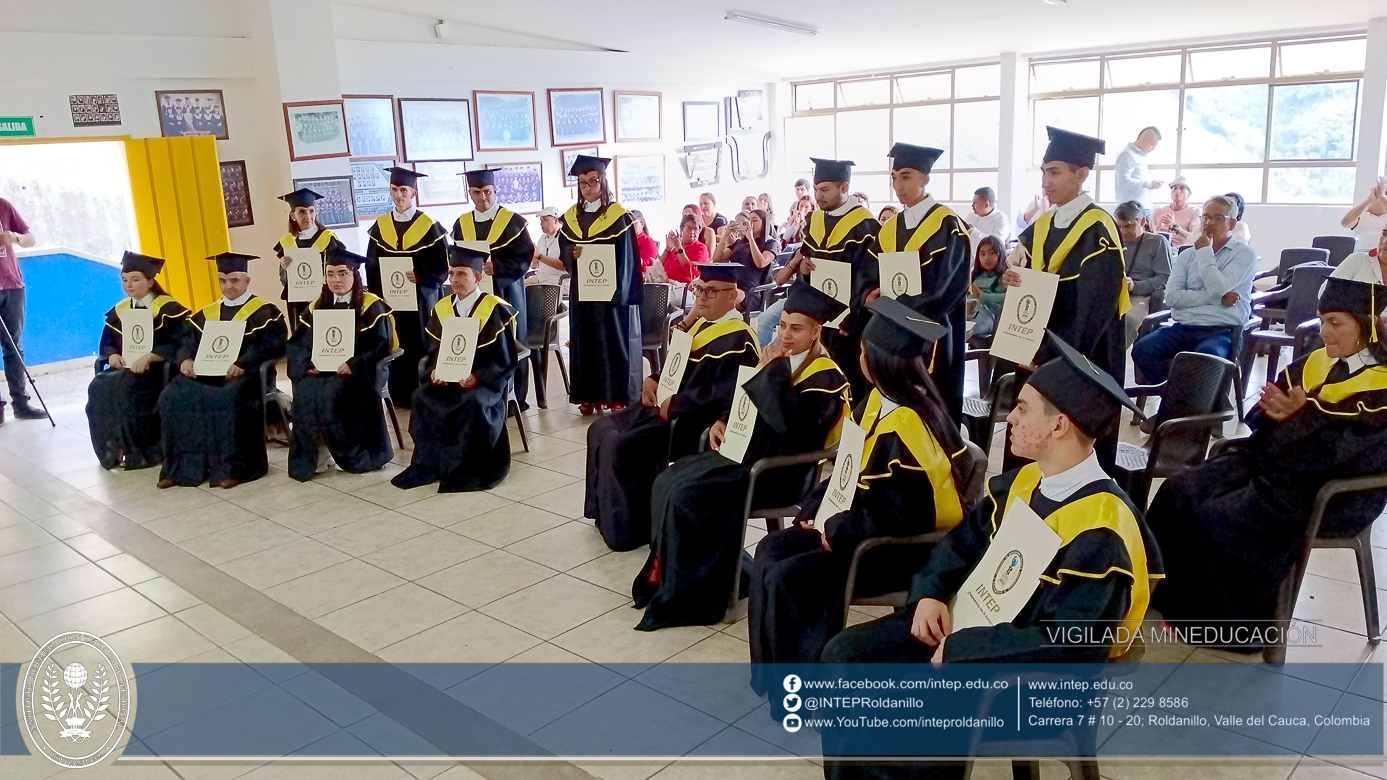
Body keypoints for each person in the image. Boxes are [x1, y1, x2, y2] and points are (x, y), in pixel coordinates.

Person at [819, 335, 1162, 780]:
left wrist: (964, 649)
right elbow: (961, 544)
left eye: (1021, 408)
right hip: (963, 627)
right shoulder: (1025, 481)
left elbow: (1066, 643)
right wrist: (931, 593)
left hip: (1020, 676)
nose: (1010, 418)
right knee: (844, 655)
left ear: (1059, 425)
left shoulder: (1103, 530)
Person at [1147, 275, 1387, 651]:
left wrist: (1300, 418)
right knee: (1181, 491)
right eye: (1322, 320)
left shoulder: (1381, 385)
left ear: (1366, 324)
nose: (1324, 331)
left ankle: (1226, 627)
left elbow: (1348, 453)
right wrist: (1277, 415)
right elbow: (1268, 414)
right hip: (1275, 464)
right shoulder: (1318, 362)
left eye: (1336, 322)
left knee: (1222, 518)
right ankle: (1171, 600)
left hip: (1331, 492)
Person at [747, 297, 968, 689]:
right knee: (769, 550)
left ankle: (803, 688)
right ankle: (772, 680)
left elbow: (900, 516)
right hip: (855, 528)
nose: (859, 356)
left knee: (790, 576)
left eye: (863, 350)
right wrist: (814, 508)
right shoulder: (878, 402)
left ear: (878, 361)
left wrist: (835, 528)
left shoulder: (911, 428)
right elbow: (845, 465)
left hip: (891, 549)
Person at [634, 281, 851, 631]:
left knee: (689, 495)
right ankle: (671, 579)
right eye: (782, 325)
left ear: (815, 333)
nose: (785, 335)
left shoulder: (825, 378)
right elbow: (745, 402)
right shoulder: (776, 356)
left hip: (778, 474)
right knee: (669, 480)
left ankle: (700, 596)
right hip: (746, 455)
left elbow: (793, 431)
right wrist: (723, 420)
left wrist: (774, 372)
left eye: (796, 328)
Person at [586, 263, 761, 551]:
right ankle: (604, 514)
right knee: (601, 428)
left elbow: (723, 394)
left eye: (712, 291)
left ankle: (629, 529)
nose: (702, 296)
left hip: (693, 421)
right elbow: (677, 370)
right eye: (699, 289)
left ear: (734, 296)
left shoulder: (740, 339)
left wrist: (677, 404)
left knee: (622, 444)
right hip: (669, 407)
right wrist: (653, 381)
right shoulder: (702, 325)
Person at [1002, 127, 1129, 468]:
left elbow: (1094, 316)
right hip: (1038, 351)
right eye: (1043, 171)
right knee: (1029, 445)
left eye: (1055, 172)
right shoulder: (1044, 225)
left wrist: (1045, 357)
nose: (1045, 181)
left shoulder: (1097, 229)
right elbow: (1021, 273)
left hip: (1080, 358)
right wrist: (1010, 272)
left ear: (1082, 173)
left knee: (1065, 449)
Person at [392, 244, 520, 492]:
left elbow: (505, 359)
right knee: (421, 396)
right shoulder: (442, 308)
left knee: (472, 402)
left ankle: (467, 466)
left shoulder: (495, 309)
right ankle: (431, 463)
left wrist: (478, 377)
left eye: (462, 273)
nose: (455, 279)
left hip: (483, 382)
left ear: (478, 277)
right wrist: (433, 373)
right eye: (452, 273)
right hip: (449, 378)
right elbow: (432, 353)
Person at [158, 253, 287, 489]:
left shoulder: (265, 312)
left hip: (246, 377)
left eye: (235, 280)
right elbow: (186, 342)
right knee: (172, 396)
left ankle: (233, 469)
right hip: (207, 375)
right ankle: (179, 469)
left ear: (247, 281)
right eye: (223, 281)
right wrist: (185, 359)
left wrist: (243, 363)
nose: (228, 286)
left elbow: (272, 345)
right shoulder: (206, 314)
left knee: (227, 399)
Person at [874, 143, 970, 417]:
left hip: (935, 335)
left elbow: (950, 290)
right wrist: (872, 292)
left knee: (933, 405)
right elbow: (875, 273)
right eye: (894, 177)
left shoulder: (948, 225)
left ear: (925, 179)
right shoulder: (890, 227)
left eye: (906, 176)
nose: (898, 185)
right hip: (895, 331)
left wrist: (901, 311)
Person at [285, 247, 395, 482]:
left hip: (356, 374)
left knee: (331, 394)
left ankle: (351, 455)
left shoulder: (371, 306)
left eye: (342, 273)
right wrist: (307, 363)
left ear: (355, 275)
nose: (336, 279)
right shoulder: (317, 306)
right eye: (331, 273)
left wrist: (353, 364)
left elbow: (380, 346)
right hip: (321, 371)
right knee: (305, 393)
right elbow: (298, 344)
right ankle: (317, 456)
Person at [778, 158, 880, 403]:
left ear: (844, 188)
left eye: (824, 190)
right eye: (816, 189)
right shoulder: (816, 220)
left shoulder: (866, 225)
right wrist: (803, 266)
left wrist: (850, 314)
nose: (818, 196)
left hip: (849, 321)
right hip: (818, 318)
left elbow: (870, 276)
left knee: (849, 379)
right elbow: (807, 258)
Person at [1132, 195, 1256, 385]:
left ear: (1231, 224)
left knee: (1205, 358)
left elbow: (1219, 287)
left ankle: (1184, 402)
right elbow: (1172, 297)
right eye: (1206, 217)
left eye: (1217, 218)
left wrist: (1205, 252)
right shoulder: (1187, 255)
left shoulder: (1244, 254)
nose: (1209, 223)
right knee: (1142, 350)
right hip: (1184, 327)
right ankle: (1181, 393)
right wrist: (1218, 300)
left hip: (1221, 330)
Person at [88, 252, 190, 470]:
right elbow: (109, 341)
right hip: (126, 367)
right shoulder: (122, 310)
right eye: (124, 280)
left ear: (150, 281)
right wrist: (112, 354)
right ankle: (112, 450)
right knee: (98, 386)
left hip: (157, 370)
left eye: (135, 279)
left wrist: (152, 356)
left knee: (126, 388)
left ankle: (143, 452)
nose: (129, 286)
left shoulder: (169, 310)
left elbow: (181, 343)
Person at [560, 156, 644, 415]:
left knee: (612, 341)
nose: (587, 186)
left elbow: (628, 257)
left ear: (603, 181)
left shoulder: (619, 216)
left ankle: (616, 396)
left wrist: (620, 290)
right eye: (582, 182)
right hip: (583, 293)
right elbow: (565, 249)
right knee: (584, 341)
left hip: (610, 293)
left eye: (593, 181)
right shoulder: (571, 217)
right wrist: (570, 253)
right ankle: (587, 396)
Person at [364, 167, 449, 407]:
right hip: (391, 301)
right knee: (394, 340)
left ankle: (423, 394)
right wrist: (378, 294)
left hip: (421, 300)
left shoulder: (429, 225)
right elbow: (371, 264)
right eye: (394, 189)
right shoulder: (381, 226)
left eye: (403, 190)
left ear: (414, 192)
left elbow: (443, 264)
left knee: (420, 342)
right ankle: (398, 395)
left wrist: (421, 275)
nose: (398, 195)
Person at [452, 169, 534, 410]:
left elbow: (524, 257)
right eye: (476, 192)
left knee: (510, 341)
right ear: (470, 193)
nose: (482, 197)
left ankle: (514, 399)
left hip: (506, 291)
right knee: (478, 340)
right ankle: (479, 390)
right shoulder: (462, 223)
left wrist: (497, 267)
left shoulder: (513, 222)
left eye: (487, 192)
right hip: (474, 295)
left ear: (495, 191)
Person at [273, 188, 345, 334]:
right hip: (297, 301)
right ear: (293, 215)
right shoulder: (287, 242)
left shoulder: (328, 238)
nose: (308, 216)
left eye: (311, 211)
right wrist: (285, 268)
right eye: (301, 212)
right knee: (301, 337)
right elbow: (284, 280)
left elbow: (344, 269)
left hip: (323, 297)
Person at [0, 195, 43, 421]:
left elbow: (30, 238)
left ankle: (21, 404)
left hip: (12, 286)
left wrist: (14, 237)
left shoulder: (3, 205)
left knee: (14, 348)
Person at [1114, 200, 1172, 347]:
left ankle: (1112, 364)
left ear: (1143, 222)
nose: (1123, 231)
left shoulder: (1157, 242)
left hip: (1142, 295)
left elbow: (1165, 279)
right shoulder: (1113, 240)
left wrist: (1135, 286)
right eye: (1119, 226)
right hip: (1113, 292)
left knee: (1127, 320)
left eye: (1128, 226)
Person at [713, 209, 780, 303]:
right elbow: (717, 259)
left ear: (764, 223)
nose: (750, 223)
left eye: (754, 220)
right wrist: (725, 236)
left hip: (750, 292)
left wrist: (751, 238)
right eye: (749, 220)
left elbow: (760, 263)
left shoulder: (770, 243)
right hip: (731, 286)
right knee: (708, 296)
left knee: (722, 301)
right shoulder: (740, 243)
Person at [967, 235, 1008, 344]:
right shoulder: (976, 276)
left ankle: (968, 332)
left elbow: (1009, 299)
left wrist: (983, 296)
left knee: (981, 321)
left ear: (1001, 254)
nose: (986, 258)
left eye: (992, 253)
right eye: (982, 254)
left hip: (993, 317)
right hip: (973, 311)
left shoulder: (1005, 277)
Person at [1113, 126, 1164, 214]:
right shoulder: (1128, 155)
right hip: (1131, 210)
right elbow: (1123, 181)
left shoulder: (1139, 157)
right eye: (1152, 145)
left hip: (1142, 207)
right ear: (1143, 139)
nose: (1153, 149)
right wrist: (1148, 184)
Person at [1152, 176, 1202, 249]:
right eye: (1174, 188)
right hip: (1157, 247)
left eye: (1181, 188)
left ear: (1189, 193)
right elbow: (1148, 234)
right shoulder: (1159, 210)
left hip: (1179, 250)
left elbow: (1194, 238)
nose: (1177, 191)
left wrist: (1175, 226)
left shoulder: (1195, 211)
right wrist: (1158, 226)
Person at [661, 214, 708, 285]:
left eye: (696, 229)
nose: (692, 232)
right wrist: (667, 250)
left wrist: (680, 250)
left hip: (684, 289)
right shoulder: (674, 246)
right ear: (681, 229)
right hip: (664, 285)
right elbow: (657, 267)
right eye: (688, 228)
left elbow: (694, 273)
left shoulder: (701, 248)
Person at [527, 206, 566, 286]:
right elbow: (534, 267)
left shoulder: (564, 238)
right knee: (518, 287)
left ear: (556, 220)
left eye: (545, 220)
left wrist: (540, 257)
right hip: (540, 277)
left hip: (557, 279)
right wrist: (533, 257)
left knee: (539, 291)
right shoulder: (542, 239)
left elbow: (563, 265)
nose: (541, 223)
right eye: (541, 220)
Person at [1343, 184, 1387, 251]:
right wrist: (1368, 201)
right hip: (1361, 255)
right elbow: (1345, 223)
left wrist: (1381, 196)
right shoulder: (1360, 215)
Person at [629, 209, 661, 276]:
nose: (631, 227)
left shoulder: (648, 242)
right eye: (628, 224)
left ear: (642, 224)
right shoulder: (626, 241)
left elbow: (649, 266)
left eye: (634, 223)